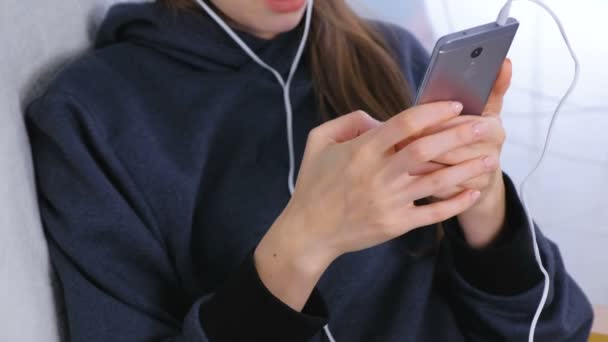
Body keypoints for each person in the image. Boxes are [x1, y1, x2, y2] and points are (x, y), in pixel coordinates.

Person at [26, 0, 593, 341]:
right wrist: (302, 245)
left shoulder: (391, 57)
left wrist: (484, 198)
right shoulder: (89, 116)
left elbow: (553, 329)